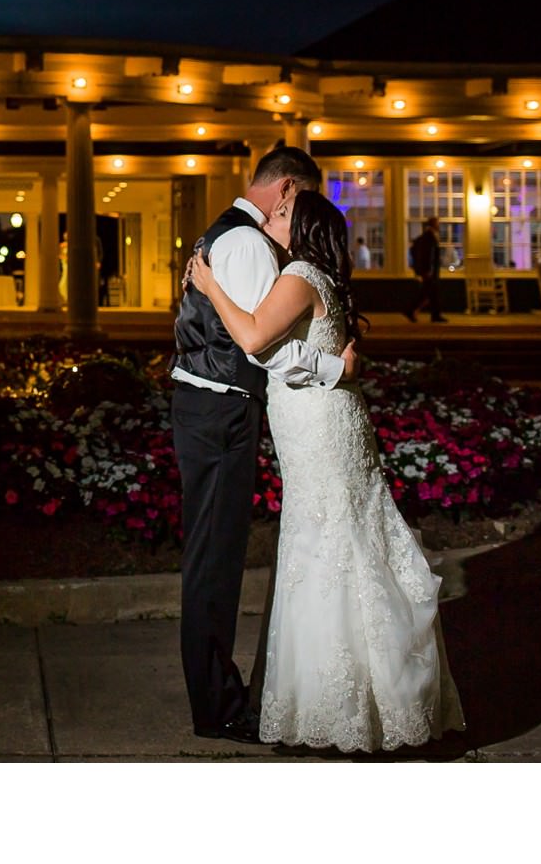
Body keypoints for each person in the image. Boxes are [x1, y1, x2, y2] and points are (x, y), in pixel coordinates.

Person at [189, 188, 464, 752]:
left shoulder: (299, 276)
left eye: (284, 213)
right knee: (337, 546)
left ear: (305, 226)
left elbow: (252, 338)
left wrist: (210, 284)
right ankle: (357, 701)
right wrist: (335, 366)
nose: (273, 216)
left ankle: (344, 706)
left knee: (327, 549)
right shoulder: (320, 276)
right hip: (325, 422)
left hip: (319, 429)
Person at [168, 144, 358, 744]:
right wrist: (334, 368)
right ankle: (218, 707)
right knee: (214, 564)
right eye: (298, 201)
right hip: (220, 410)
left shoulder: (229, 236)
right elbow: (260, 345)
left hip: (211, 406)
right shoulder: (249, 243)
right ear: (286, 191)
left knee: (216, 559)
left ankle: (222, 696)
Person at [407, 217, 447, 322]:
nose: (439, 226)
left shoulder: (426, 236)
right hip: (430, 271)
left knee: (431, 293)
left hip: (430, 270)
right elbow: (429, 254)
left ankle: (435, 315)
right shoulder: (429, 237)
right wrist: (428, 269)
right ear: (433, 224)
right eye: (438, 224)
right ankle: (411, 310)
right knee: (428, 293)